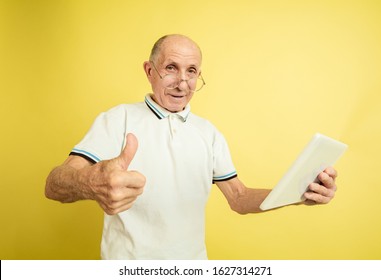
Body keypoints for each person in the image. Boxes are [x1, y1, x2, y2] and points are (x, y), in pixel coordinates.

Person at [45, 34, 338, 259]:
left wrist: (297, 193)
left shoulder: (208, 133)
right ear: (149, 71)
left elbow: (239, 198)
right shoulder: (117, 119)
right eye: (171, 68)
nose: (182, 83)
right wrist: (89, 183)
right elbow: (54, 185)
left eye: (192, 71)